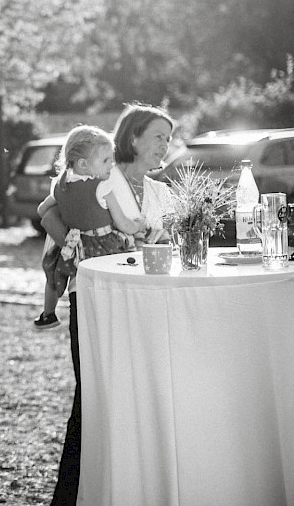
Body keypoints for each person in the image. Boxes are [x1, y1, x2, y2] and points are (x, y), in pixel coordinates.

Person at [44, 104, 174, 506]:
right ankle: (69, 497)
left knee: (141, 395)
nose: (165, 146)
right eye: (158, 136)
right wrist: (76, 239)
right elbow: (48, 209)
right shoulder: (100, 171)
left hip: (149, 303)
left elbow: (169, 244)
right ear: (132, 138)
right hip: (95, 297)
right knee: (92, 397)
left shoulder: (161, 191)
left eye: (168, 139)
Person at [32, 126, 146, 330]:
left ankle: (48, 315)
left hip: (76, 250)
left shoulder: (59, 185)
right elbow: (124, 225)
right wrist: (139, 225)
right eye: (105, 160)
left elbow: (42, 210)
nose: (111, 164)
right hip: (104, 247)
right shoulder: (103, 187)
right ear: (84, 164)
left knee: (56, 274)